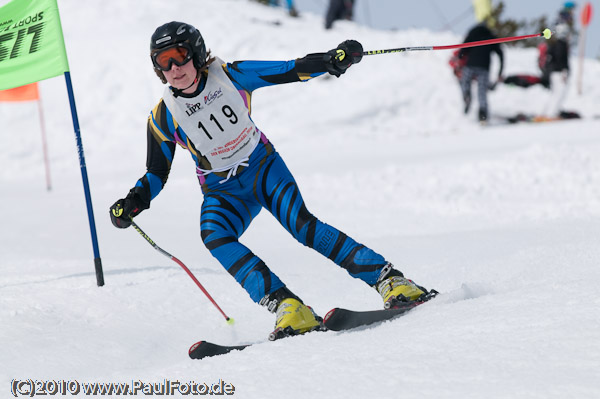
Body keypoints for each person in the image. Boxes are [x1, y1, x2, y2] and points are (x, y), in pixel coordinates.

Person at [109, 21, 432, 340]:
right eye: (164, 61)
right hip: (222, 192)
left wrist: (333, 59)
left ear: (195, 53)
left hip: (263, 168)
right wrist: (133, 202)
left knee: (302, 226)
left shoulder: (232, 76)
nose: (175, 67)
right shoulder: (163, 116)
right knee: (215, 236)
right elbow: (156, 173)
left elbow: (292, 69)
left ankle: (390, 280)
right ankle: (289, 307)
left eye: (180, 55)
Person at [458, 17, 504, 123]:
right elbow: (500, 53)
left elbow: (464, 47)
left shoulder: (473, 32)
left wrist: (459, 59)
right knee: (482, 91)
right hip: (484, 67)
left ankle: (466, 95)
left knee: (464, 81)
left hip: (470, 65)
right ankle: (483, 114)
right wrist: (500, 70)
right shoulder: (490, 35)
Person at [540, 2, 576, 117]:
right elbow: (561, 59)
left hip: (553, 70)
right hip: (558, 71)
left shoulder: (555, 44)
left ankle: (547, 113)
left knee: (555, 93)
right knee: (558, 93)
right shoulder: (561, 44)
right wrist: (565, 70)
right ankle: (551, 114)